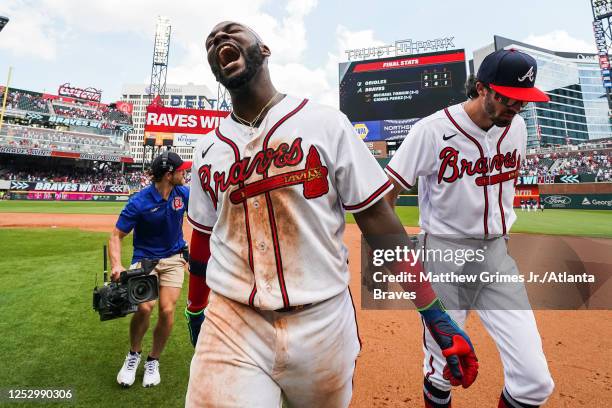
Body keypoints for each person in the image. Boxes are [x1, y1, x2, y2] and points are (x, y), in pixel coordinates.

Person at [184, 21, 478, 407]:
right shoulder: (207, 150)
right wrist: (195, 306)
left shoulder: (324, 123)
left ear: (265, 49)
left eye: (232, 31)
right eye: (211, 41)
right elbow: (203, 238)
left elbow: (377, 220)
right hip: (233, 320)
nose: (219, 38)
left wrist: (432, 310)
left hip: (322, 321)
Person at [385, 49, 555, 408]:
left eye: (525, 100)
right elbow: (384, 200)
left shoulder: (518, 127)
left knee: (534, 382)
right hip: (444, 255)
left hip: (496, 255)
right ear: (481, 88)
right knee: (444, 372)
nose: (518, 107)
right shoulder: (430, 132)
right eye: (510, 98)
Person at [109, 150, 191, 388]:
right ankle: (133, 355)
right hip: (145, 260)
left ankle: (153, 360)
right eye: (181, 170)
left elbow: (206, 210)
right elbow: (116, 235)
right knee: (144, 307)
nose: (185, 173)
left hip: (174, 258)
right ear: (168, 174)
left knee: (167, 310)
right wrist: (116, 264)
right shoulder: (139, 201)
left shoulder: (182, 193)